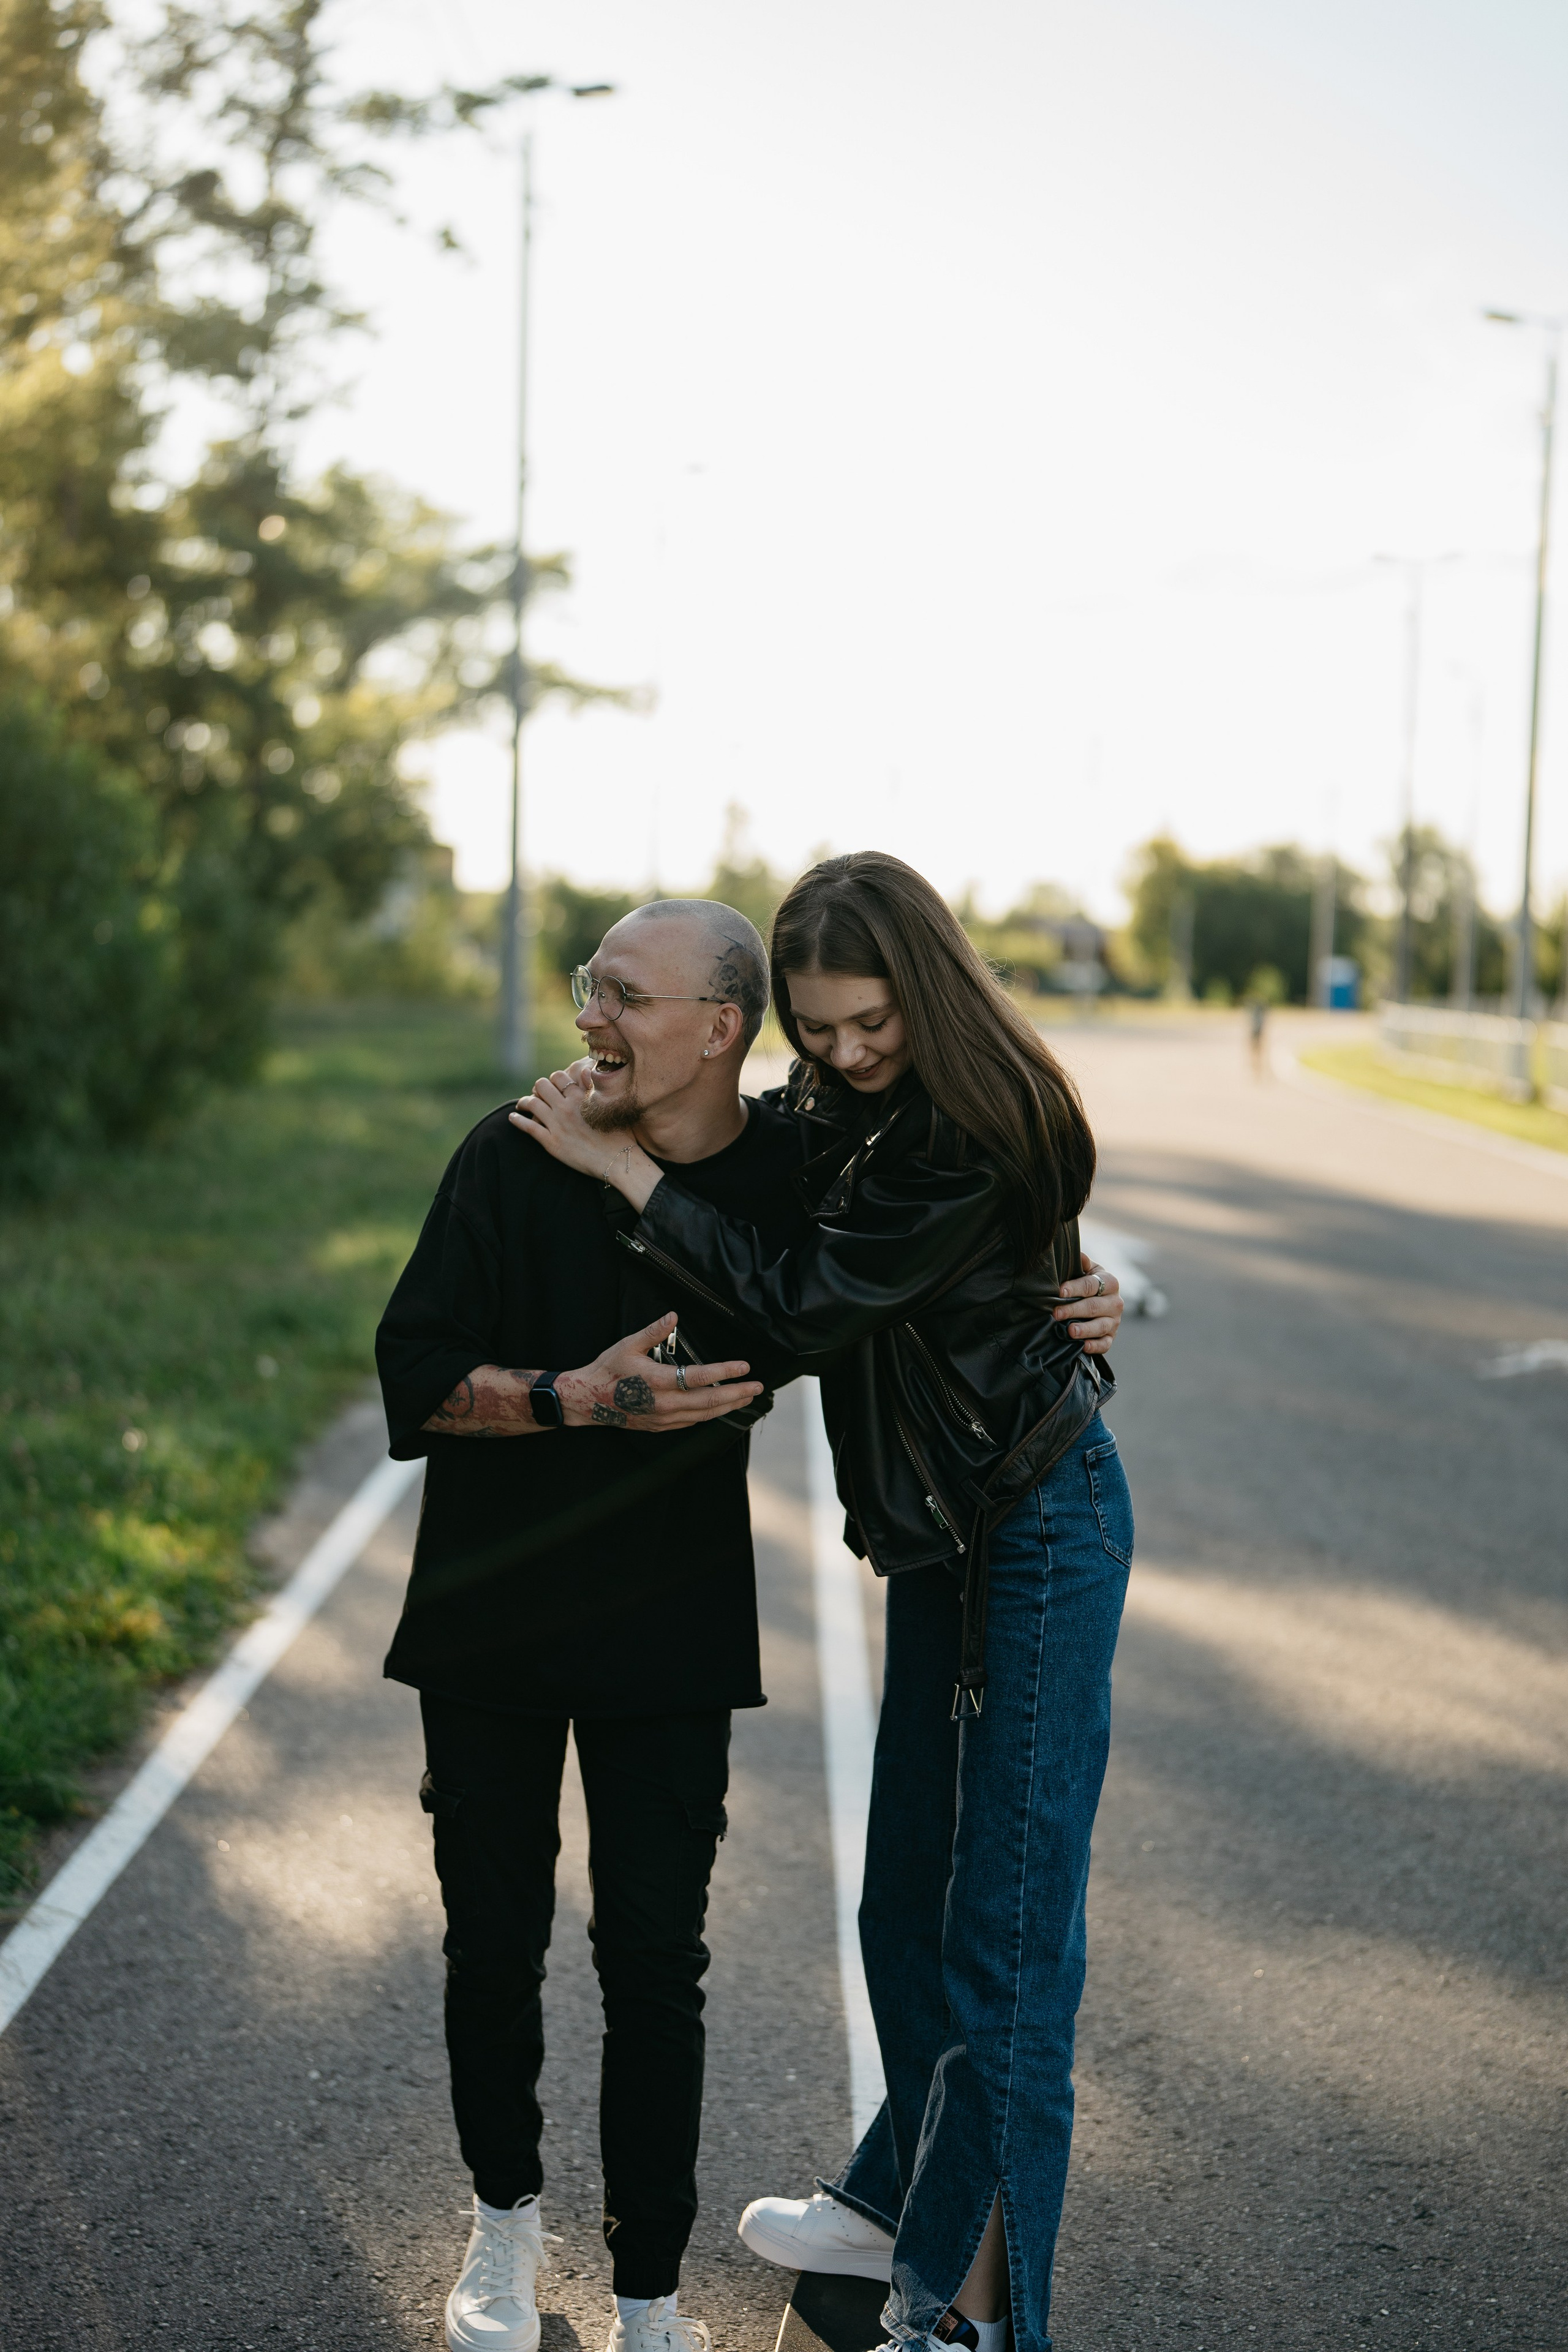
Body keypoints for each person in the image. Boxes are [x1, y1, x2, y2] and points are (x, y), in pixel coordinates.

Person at [378, 888, 1132, 2352]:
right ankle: (550, 2234)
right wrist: (571, 1395)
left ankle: (781, 2312)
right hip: (557, 1603)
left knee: (749, 1958)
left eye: (621, 994)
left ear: (717, 1030)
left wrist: (1071, 1292)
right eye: (587, 986)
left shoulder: (814, 1159)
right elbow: (412, 1373)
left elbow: (848, 1287)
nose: (587, 1015)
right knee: (539, 1936)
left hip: (811, 1584)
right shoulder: (538, 1146)